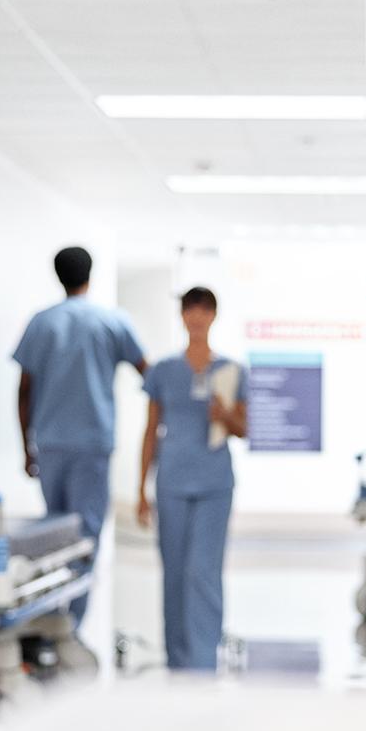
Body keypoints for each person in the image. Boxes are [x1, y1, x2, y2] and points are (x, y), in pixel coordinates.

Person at [13, 245, 147, 628]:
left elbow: (23, 391)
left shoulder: (41, 323)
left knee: (53, 535)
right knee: (86, 536)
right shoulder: (111, 322)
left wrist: (26, 448)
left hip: (50, 444)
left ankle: (53, 621)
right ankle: (72, 625)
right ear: (91, 274)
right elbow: (148, 372)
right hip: (92, 445)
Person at [137, 287, 248, 670]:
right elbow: (150, 431)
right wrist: (141, 489)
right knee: (174, 573)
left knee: (204, 571)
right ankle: (178, 659)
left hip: (214, 484)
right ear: (183, 316)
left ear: (214, 316)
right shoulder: (163, 370)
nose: (197, 317)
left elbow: (245, 429)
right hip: (171, 483)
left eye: (204, 310)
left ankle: (203, 661)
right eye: (191, 310)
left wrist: (225, 415)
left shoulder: (231, 371)